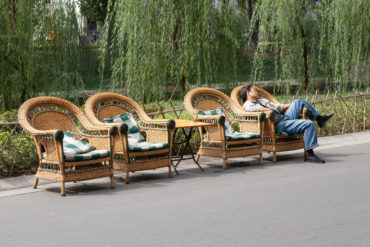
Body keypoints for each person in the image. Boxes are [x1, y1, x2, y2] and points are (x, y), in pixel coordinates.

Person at [240, 85, 333, 163]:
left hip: (285, 118)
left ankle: (319, 118)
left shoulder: (262, 101)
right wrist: (267, 110)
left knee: (298, 101)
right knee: (308, 124)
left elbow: (279, 107)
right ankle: (309, 154)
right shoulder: (248, 104)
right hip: (278, 125)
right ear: (248, 93)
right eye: (254, 90)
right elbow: (251, 109)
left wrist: (293, 105)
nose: (257, 92)